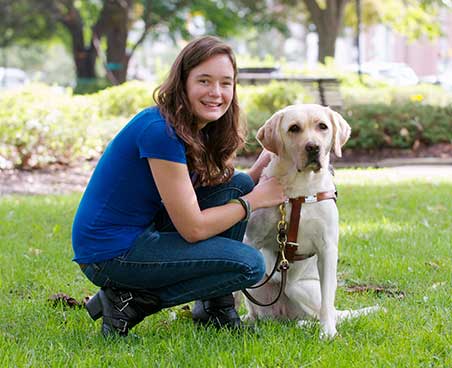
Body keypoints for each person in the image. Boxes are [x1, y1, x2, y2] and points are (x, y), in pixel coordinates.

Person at [72, 35, 285, 337]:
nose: (216, 92)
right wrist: (254, 201)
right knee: (249, 264)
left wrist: (264, 166)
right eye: (204, 81)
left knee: (237, 183)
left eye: (226, 83)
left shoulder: (192, 126)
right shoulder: (160, 131)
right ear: (182, 82)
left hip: (143, 233)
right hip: (109, 254)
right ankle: (127, 302)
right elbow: (193, 228)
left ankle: (215, 308)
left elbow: (221, 192)